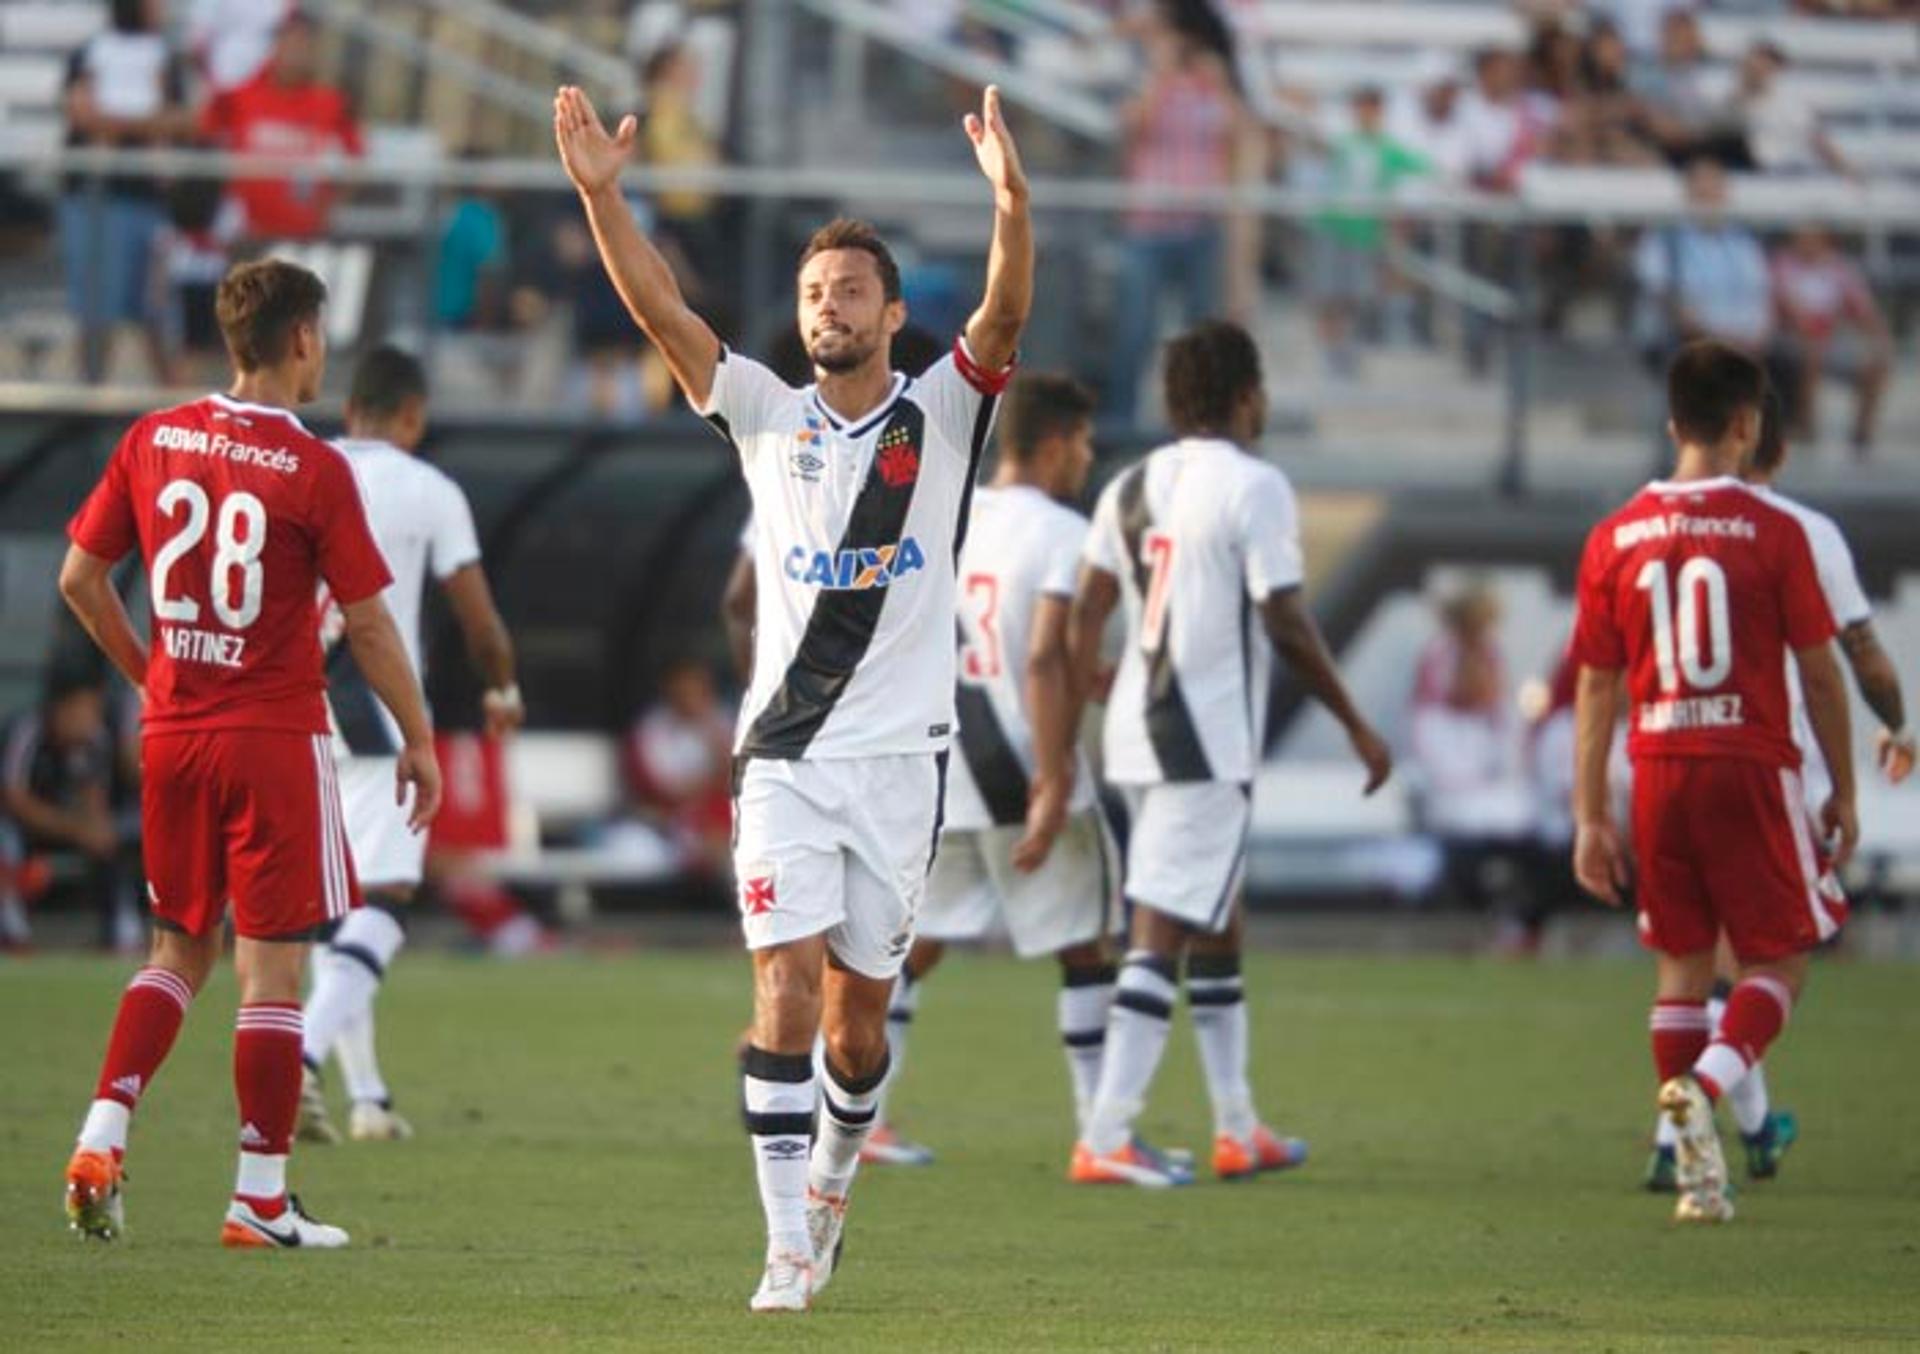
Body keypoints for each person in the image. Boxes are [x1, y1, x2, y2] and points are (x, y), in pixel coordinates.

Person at [554, 81, 1031, 1309]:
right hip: (783, 759)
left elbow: (1004, 310)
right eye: (817, 291)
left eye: (851, 290)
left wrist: (1010, 203)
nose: (829, 305)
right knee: (782, 988)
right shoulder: (765, 413)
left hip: (903, 764)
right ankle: (780, 1245)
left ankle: (831, 1178)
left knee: (860, 1026)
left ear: (890, 312)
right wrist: (605, 199)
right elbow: (663, 311)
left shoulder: (945, 415)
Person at [57, 258, 441, 1249]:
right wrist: (421, 736)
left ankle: (104, 1128)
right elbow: (368, 625)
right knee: (270, 972)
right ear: (304, 338)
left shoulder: (153, 437)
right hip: (272, 737)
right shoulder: (317, 468)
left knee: (175, 952)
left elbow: (80, 579)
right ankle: (258, 1199)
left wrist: (150, 675)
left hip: (173, 734)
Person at [1064, 320, 1393, 1187]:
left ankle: (1238, 1125)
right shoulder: (1255, 486)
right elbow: (1283, 615)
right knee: (1164, 923)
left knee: (1215, 916)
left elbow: (1087, 605)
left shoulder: (1129, 483)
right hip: (1203, 734)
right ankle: (1107, 1132)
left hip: (1138, 728)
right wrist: (1355, 720)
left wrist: (1092, 676)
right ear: (1247, 397)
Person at [1570, 340, 1858, 1225]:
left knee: (1681, 969)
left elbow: (1594, 686)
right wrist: (1843, 788)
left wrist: (1588, 814)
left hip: (1655, 769)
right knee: (1783, 960)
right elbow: (1819, 674)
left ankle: (1696, 1175)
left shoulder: (1615, 533)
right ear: (1747, 425)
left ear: (1671, 424)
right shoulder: (1776, 532)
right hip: (1748, 763)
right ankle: (1705, 1086)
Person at [1641, 382, 1913, 1192]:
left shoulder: (1654, 525)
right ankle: (1686, 1109)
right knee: (1777, 959)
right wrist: (1896, 728)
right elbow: (1855, 655)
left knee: (1699, 965)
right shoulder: (1802, 533)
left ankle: (1744, 1132)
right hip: (1771, 768)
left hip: (1669, 759)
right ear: (1774, 446)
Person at [868, 373, 1120, 1167]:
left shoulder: (948, 510)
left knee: (918, 944)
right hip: (1017, 757)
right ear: (1053, 446)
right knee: (1086, 946)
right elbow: (1042, 656)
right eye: (1081, 444)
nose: (1085, 459)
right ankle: (1102, 1134)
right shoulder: (1061, 532)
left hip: (944, 764)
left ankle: (859, 1116)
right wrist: (1051, 781)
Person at [296, 345, 522, 1147]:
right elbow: (480, 620)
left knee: (336, 916)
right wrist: (501, 689)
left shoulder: (302, 464)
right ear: (413, 416)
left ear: (349, 405)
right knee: (385, 898)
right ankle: (301, 1054)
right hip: (379, 713)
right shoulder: (428, 487)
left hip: (291, 709)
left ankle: (367, 1099)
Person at [1106, 0, 1252, 420]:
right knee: (1136, 332)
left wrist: (1220, 83)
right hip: (1148, 229)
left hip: (1201, 228)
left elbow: (1240, 134)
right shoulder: (1145, 79)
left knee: (1202, 338)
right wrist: (1161, 76)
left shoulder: (1210, 86)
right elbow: (1134, 127)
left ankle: (1201, 420)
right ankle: (1122, 417)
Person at [60, 0, 192, 377]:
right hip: (96, 198)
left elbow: (181, 120)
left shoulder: (165, 57)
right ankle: (92, 399)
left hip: (149, 200)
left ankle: (172, 416)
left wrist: (114, 123)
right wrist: (148, 123)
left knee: (157, 314)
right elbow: (81, 113)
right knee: (97, 310)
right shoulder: (91, 52)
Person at [0, 670, 139, 951]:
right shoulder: (27, 730)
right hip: (18, 823)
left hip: (62, 824)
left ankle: (123, 932)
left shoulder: (93, 740)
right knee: (5, 842)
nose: (91, 718)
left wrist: (95, 829)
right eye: (84, 710)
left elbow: (93, 794)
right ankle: (12, 934)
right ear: (61, 709)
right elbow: (13, 799)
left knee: (109, 839)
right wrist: (74, 828)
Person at [200, 11, 363, 240]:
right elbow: (202, 134)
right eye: (290, 44)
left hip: (303, 235)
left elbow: (357, 158)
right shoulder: (240, 96)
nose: (296, 54)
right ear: (275, 47)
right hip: (246, 233)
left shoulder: (330, 103)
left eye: (304, 46)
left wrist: (329, 208)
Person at [1310, 86, 1430, 376]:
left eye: (1371, 109)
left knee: (1354, 295)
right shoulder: (1342, 143)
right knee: (1329, 294)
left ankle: (1347, 351)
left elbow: (1425, 168)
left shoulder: (1388, 149)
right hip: (1334, 228)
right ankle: (1330, 352)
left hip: (1364, 234)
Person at [1771, 226, 1892, 457]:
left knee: (1876, 363)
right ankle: (1808, 428)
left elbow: (1863, 309)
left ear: (1825, 240)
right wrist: (1810, 330)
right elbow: (1788, 307)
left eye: (1813, 238)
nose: (1806, 243)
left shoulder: (1839, 268)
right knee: (1812, 353)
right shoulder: (1783, 264)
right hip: (1790, 338)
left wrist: (1881, 338)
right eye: (1802, 238)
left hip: (1829, 338)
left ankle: (1861, 436)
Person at [622, 657, 734, 879]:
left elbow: (742, 776)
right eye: (683, 689)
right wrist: (715, 780)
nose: (690, 696)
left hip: (723, 811)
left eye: (698, 689)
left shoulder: (723, 720)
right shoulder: (652, 730)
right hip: (670, 819)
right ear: (669, 690)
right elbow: (667, 792)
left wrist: (711, 733)